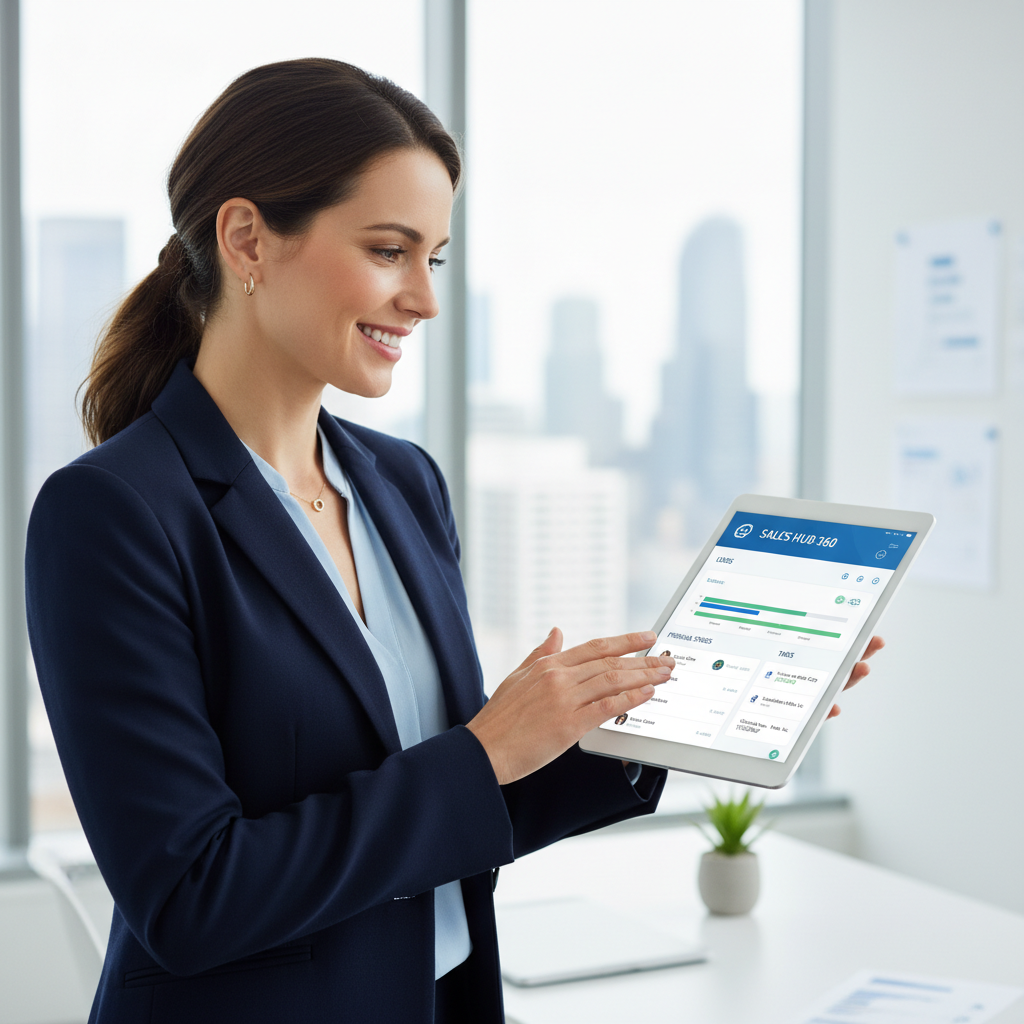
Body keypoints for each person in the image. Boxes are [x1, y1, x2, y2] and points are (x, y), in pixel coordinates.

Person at [25, 58, 882, 1024]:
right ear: (247, 239)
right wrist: (483, 753)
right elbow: (191, 897)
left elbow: (466, 809)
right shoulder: (111, 513)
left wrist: (687, 711)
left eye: (432, 259)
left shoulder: (402, 484)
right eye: (390, 251)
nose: (424, 300)